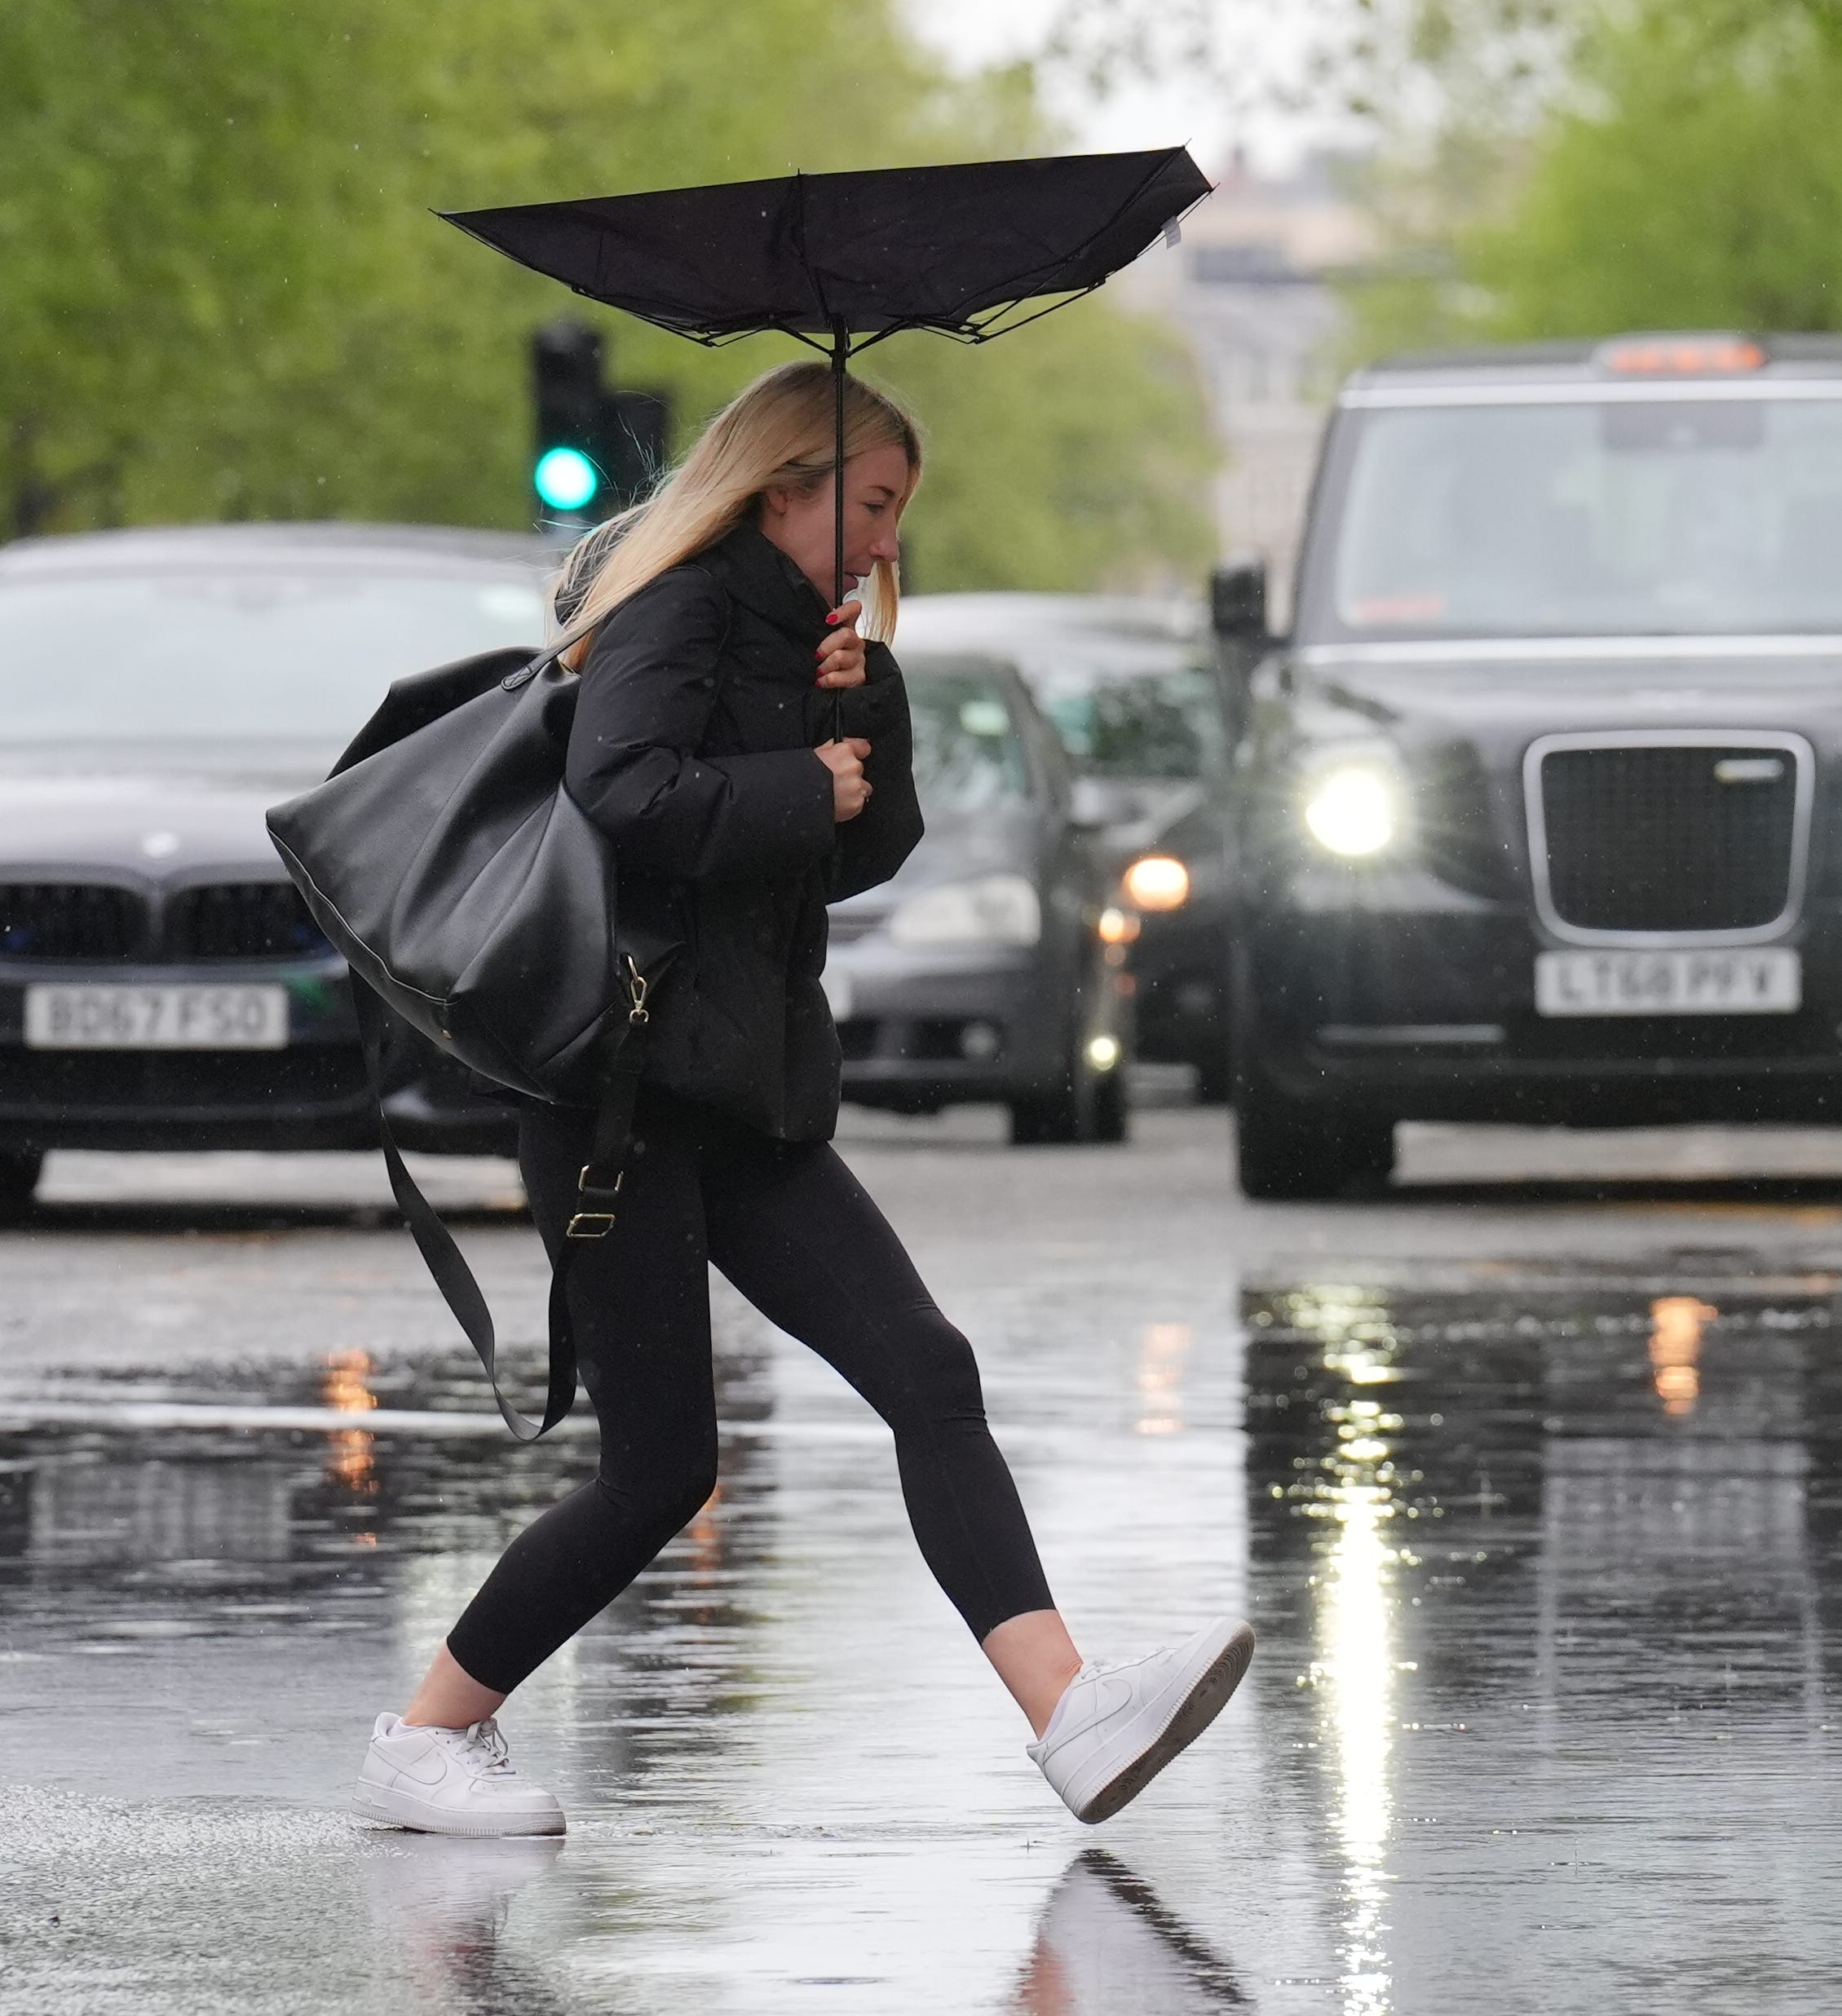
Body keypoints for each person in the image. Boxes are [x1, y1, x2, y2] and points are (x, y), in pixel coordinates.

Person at [352, 360, 1252, 1839]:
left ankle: (1070, 1711)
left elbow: (852, 849)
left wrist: (863, 716)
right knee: (660, 1471)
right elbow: (619, 792)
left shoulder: (801, 641)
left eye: (900, 512)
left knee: (926, 1369)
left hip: (747, 1098)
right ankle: (426, 1739)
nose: (887, 541)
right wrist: (801, 785)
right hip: (624, 1099)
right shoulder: (670, 610)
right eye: (873, 504)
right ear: (782, 488)